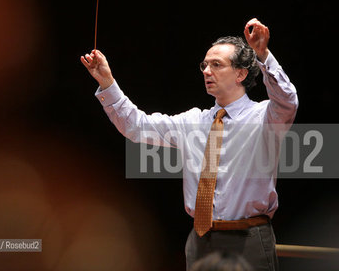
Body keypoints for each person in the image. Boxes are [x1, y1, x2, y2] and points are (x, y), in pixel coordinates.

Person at [80, 18, 298, 271]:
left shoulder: (264, 117)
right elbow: (136, 126)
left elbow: (287, 100)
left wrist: (263, 55)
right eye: (204, 65)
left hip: (248, 237)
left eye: (217, 65)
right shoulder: (193, 120)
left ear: (240, 73)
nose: (206, 71)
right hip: (200, 239)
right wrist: (107, 82)